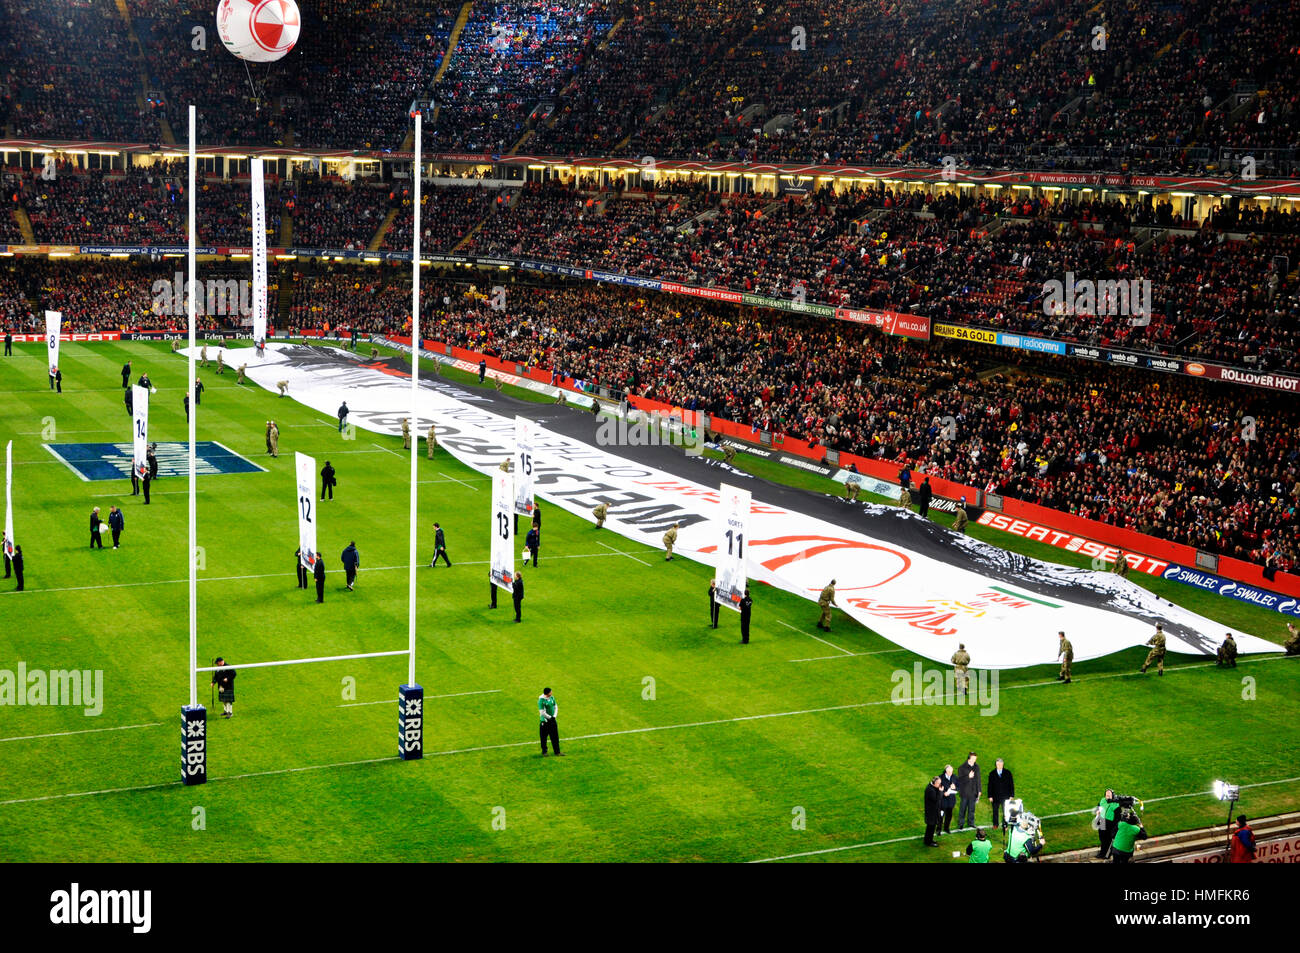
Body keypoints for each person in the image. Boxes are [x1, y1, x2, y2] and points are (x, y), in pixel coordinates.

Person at [987, 758, 1014, 829]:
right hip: (995, 796)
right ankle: (995, 824)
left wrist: (1012, 795)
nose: (999, 765)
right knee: (995, 811)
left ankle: (1005, 824)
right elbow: (990, 785)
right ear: (996, 765)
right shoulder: (992, 773)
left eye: (1000, 764)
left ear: (1003, 764)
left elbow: (1011, 784)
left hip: (1006, 796)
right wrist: (990, 796)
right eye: (998, 764)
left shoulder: (1008, 773)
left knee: (1005, 811)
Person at [957, 752, 981, 830]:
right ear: (969, 758)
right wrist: (968, 777)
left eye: (975, 759)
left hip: (973, 792)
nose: (974, 760)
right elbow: (959, 780)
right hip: (964, 792)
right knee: (962, 809)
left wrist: (979, 790)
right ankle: (961, 824)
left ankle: (971, 823)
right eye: (973, 759)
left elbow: (978, 779)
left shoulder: (977, 767)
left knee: (972, 809)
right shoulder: (962, 767)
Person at [1095, 789, 1121, 859]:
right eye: (1106, 795)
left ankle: (1107, 855)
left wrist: (1115, 827)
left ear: (1113, 796)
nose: (1108, 797)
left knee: (1108, 840)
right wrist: (1097, 811)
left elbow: (1118, 817)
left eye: (1109, 795)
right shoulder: (1103, 800)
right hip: (1102, 822)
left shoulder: (1116, 804)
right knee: (1102, 839)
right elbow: (1098, 806)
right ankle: (1102, 853)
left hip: (1110, 824)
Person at [538, 687, 562, 755]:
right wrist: (550, 717)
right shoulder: (541, 700)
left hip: (552, 720)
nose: (552, 692)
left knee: (555, 737)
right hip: (545, 722)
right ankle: (544, 752)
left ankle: (557, 752)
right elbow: (542, 712)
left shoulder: (552, 697)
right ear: (548, 693)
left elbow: (556, 706)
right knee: (544, 738)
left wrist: (554, 716)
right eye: (551, 692)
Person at [923, 776, 943, 847]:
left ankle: (928, 840)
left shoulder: (932, 787)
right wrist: (940, 792)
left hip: (932, 811)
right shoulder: (930, 790)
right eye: (939, 784)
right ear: (934, 783)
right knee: (931, 827)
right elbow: (937, 800)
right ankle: (928, 842)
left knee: (931, 827)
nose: (940, 785)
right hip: (931, 812)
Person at [938, 764, 958, 835]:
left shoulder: (955, 777)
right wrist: (943, 793)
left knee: (949, 816)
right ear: (946, 771)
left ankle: (946, 828)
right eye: (949, 771)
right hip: (943, 800)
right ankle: (939, 829)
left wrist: (955, 787)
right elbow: (937, 788)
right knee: (941, 815)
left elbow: (959, 787)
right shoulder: (940, 778)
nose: (951, 773)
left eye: (951, 771)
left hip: (951, 801)